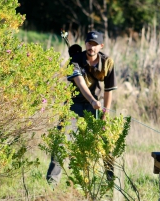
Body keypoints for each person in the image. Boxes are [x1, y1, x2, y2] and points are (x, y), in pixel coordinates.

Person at [46, 31, 117, 184]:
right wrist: (92, 100)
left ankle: (112, 181)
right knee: (60, 142)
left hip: (95, 109)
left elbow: (109, 90)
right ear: (85, 44)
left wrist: (105, 113)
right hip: (73, 105)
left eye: (95, 44)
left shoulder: (107, 62)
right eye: (89, 43)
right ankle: (52, 182)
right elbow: (80, 82)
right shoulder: (75, 59)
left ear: (101, 46)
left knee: (105, 142)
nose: (91, 47)